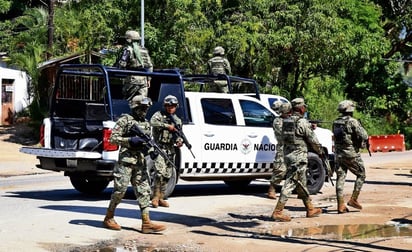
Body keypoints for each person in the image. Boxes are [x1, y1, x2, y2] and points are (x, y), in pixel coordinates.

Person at [103, 95, 166, 234]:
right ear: (135, 107)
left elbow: (146, 142)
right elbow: (113, 139)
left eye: (146, 108)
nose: (144, 111)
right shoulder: (125, 120)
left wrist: (151, 151)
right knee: (120, 191)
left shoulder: (146, 123)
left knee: (144, 192)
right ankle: (109, 217)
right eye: (142, 108)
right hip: (126, 163)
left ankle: (146, 223)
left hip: (140, 162)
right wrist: (130, 140)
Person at [271, 98, 323, 222]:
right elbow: (313, 140)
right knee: (291, 183)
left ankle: (310, 208)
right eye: (304, 107)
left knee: (301, 183)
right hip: (298, 157)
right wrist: (320, 151)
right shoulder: (302, 122)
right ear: (300, 108)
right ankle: (277, 211)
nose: (305, 109)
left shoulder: (286, 121)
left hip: (288, 155)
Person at [332, 100, 368, 213]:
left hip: (339, 154)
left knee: (340, 177)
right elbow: (365, 135)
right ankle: (354, 199)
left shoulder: (336, 122)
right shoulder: (353, 122)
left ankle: (340, 204)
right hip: (351, 154)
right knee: (361, 175)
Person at [150, 95, 183, 208]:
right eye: (168, 106)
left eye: (173, 106)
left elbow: (178, 134)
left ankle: (161, 197)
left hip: (170, 149)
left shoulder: (177, 120)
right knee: (159, 173)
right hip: (159, 147)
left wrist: (179, 141)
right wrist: (167, 126)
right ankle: (155, 197)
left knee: (167, 175)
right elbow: (152, 122)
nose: (170, 108)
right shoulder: (159, 115)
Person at [116, 30, 153, 100]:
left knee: (128, 101)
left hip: (131, 80)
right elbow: (150, 66)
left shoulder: (128, 49)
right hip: (143, 80)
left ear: (128, 40)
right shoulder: (144, 50)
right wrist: (149, 79)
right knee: (142, 102)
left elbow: (122, 65)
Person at [267, 101, 292, 199]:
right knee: (280, 170)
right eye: (288, 112)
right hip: (282, 147)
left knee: (297, 171)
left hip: (292, 148)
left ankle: (301, 193)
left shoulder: (290, 120)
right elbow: (283, 134)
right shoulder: (278, 121)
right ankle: (272, 189)